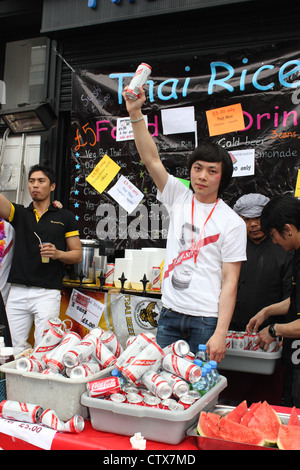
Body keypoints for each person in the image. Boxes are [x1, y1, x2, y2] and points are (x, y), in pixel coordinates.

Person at [123, 86, 247, 362]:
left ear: (222, 178)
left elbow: (230, 282)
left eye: (212, 171)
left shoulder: (233, 223)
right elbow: (151, 159)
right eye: (197, 168)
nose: (202, 176)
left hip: (205, 322)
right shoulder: (179, 197)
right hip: (168, 314)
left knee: (197, 389)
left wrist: (220, 332)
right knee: (163, 386)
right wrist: (135, 113)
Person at [0, 164, 82, 351]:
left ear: (52, 186)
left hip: (47, 292)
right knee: (13, 347)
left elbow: (77, 254)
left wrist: (58, 253)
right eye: (31, 181)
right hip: (17, 291)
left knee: (44, 348)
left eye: (41, 181)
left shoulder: (65, 216)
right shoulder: (20, 213)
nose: (35, 185)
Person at [246, 194, 300, 407]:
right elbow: (295, 301)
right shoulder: (296, 253)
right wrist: (267, 311)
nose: (274, 241)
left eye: (274, 235)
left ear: (288, 228)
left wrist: (273, 330)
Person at [230, 193, 292, 331]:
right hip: (234, 331)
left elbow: (290, 296)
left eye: (258, 218)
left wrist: (282, 329)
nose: (253, 224)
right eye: (247, 219)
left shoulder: (285, 248)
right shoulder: (231, 247)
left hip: (271, 331)